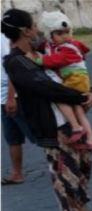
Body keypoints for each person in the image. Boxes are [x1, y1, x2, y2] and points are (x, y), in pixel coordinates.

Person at [2, 9, 92, 211]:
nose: (38, 30)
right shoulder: (16, 61)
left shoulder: (47, 50)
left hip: (72, 121)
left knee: (83, 167)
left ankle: (82, 210)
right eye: (34, 26)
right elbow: (48, 88)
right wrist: (81, 97)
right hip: (52, 126)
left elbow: (77, 73)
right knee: (64, 173)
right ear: (25, 30)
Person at [34, 12, 92, 149]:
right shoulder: (52, 45)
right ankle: (90, 138)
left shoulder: (69, 47)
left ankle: (76, 128)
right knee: (78, 110)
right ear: (50, 34)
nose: (65, 36)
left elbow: (53, 60)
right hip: (77, 80)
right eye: (59, 33)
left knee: (60, 97)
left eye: (67, 32)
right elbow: (43, 46)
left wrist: (37, 60)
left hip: (74, 81)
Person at [1, 32, 35, 185]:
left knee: (38, 134)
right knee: (12, 138)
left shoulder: (3, 38)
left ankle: (64, 165)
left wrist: (10, 97)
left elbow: (13, 67)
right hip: (2, 98)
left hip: (13, 96)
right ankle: (17, 174)